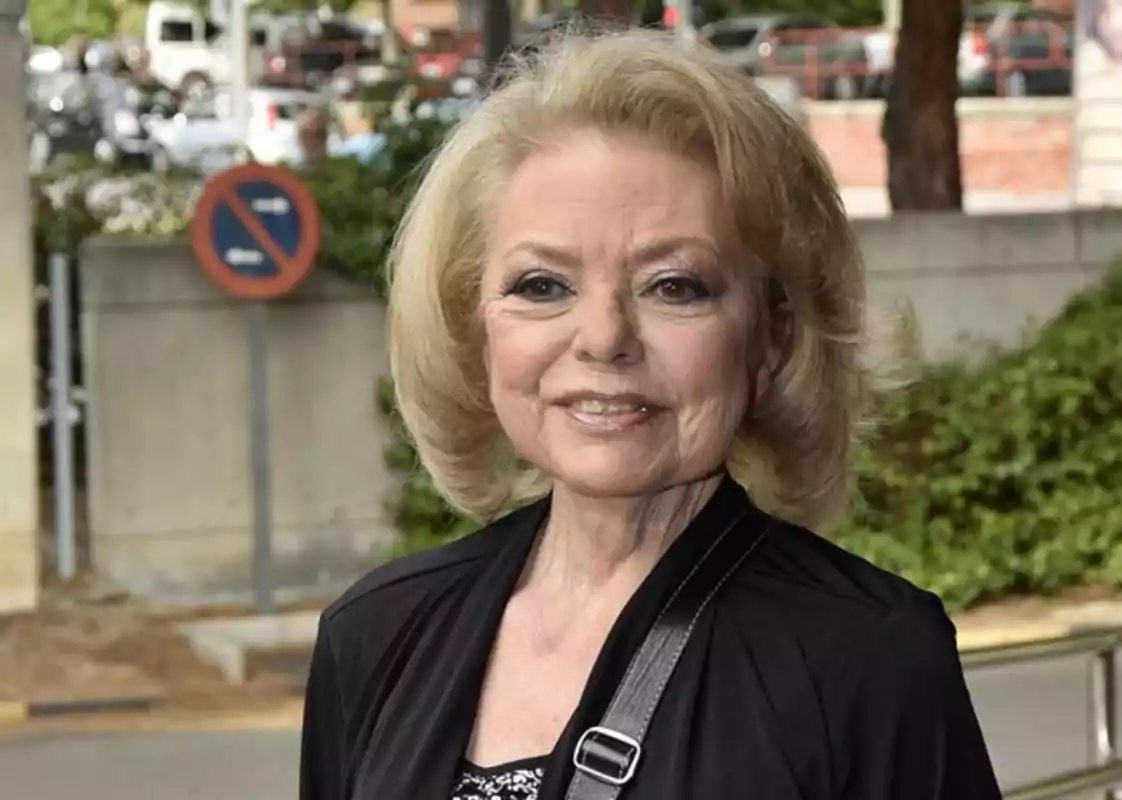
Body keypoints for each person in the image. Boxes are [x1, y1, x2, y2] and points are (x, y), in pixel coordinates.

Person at [300, 29, 1003, 800]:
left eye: (675, 286)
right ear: (476, 329)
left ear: (771, 338)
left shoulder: (867, 657)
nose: (604, 337)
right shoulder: (375, 634)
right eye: (541, 285)